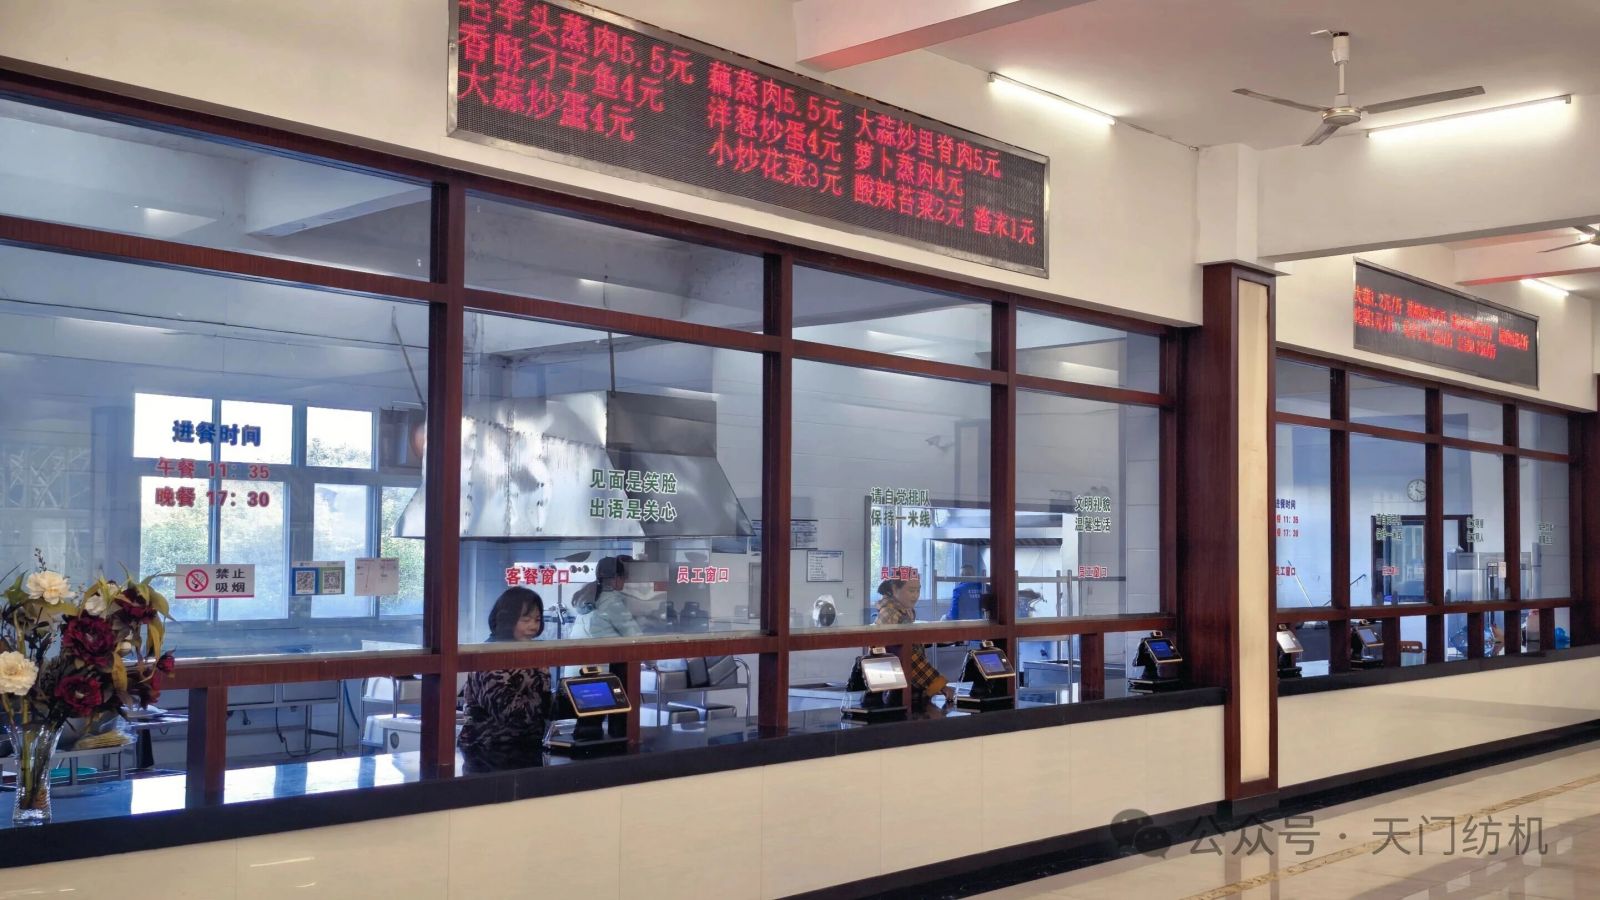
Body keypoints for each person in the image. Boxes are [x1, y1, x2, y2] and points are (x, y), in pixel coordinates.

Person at [458, 587, 552, 769]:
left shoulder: (530, 652)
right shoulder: (490, 656)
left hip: (527, 747)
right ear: (507, 619)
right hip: (487, 752)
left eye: (537, 620)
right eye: (526, 620)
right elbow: (511, 713)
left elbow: (545, 704)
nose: (533, 626)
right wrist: (544, 694)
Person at [873, 576, 955, 705]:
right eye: (911, 591)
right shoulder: (891, 614)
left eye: (918, 590)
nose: (915, 595)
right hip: (895, 690)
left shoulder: (903, 611)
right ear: (895, 589)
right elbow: (909, 656)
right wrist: (939, 685)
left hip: (903, 684)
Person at [571, 555, 643, 639]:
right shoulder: (611, 601)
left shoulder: (588, 596)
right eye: (624, 578)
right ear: (616, 578)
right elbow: (634, 636)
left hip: (581, 645)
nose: (625, 581)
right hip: (600, 646)